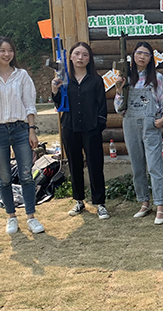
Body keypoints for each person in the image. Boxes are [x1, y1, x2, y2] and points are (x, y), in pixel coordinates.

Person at [0, 36, 44, 235]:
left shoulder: (21, 75)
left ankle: (31, 216)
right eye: (2, 50)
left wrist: (32, 130)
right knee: (4, 177)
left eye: (10, 50)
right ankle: (11, 216)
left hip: (20, 128)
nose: (6, 54)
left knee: (26, 175)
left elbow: (29, 105)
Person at [114, 41, 163, 225]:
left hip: (150, 125)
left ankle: (160, 205)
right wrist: (119, 90)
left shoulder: (157, 77)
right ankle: (144, 202)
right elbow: (119, 109)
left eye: (146, 54)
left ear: (151, 58)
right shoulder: (125, 78)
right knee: (137, 166)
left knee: (154, 166)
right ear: (133, 56)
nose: (142, 57)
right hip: (130, 124)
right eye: (139, 53)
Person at [52, 42, 109, 220]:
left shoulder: (96, 80)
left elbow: (102, 106)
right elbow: (59, 104)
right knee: (74, 165)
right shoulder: (64, 80)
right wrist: (55, 90)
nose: (80, 58)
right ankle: (78, 200)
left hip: (91, 129)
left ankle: (100, 203)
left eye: (85, 54)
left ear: (89, 59)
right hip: (70, 128)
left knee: (95, 165)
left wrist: (99, 126)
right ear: (70, 57)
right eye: (77, 54)